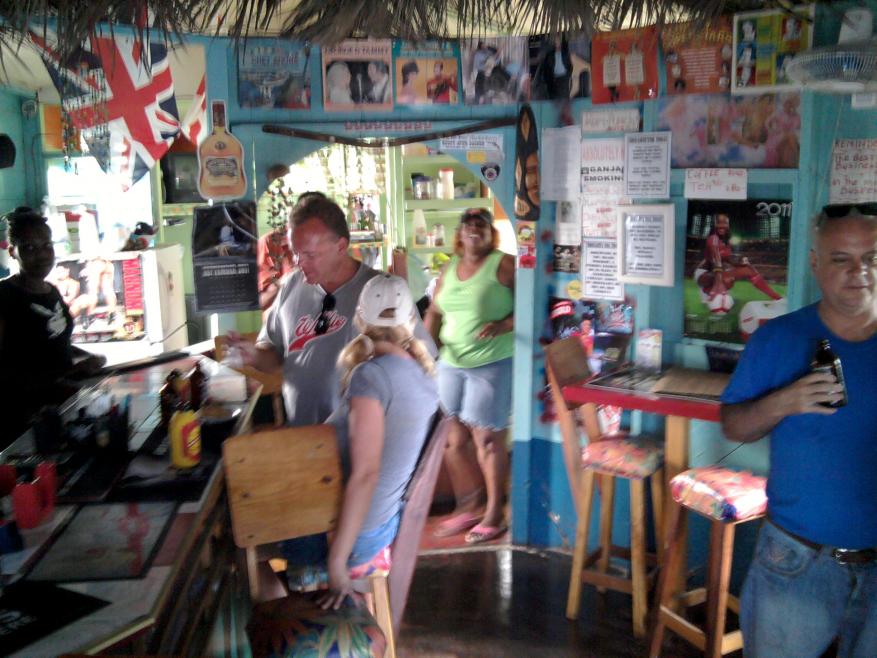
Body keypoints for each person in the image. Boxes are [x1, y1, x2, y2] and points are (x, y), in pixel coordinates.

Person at [720, 205, 877, 657]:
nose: (859, 272)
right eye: (841, 259)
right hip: (796, 559)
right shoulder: (779, 338)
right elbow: (733, 425)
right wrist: (784, 401)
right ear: (815, 263)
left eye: (871, 258)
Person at [285, 274, 439, 609]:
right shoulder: (423, 375)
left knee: (243, 533)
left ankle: (294, 618)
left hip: (356, 534)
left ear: (359, 318)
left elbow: (366, 475)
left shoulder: (371, 376)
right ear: (411, 320)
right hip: (380, 522)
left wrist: (337, 561)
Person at [231, 197, 434, 426]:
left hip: (362, 436)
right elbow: (274, 356)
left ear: (341, 246)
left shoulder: (383, 291)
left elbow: (423, 364)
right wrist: (253, 355)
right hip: (303, 434)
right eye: (296, 253)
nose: (299, 262)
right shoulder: (290, 286)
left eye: (310, 255)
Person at [424, 208, 515, 543]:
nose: (474, 230)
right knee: (453, 441)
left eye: (481, 225)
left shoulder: (504, 265)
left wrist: (505, 324)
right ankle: (468, 506)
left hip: (492, 362)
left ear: (491, 233)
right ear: (459, 234)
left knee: (487, 440)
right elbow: (434, 312)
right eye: (468, 225)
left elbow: (532, 304)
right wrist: (422, 352)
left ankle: (494, 513)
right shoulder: (449, 267)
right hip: (450, 363)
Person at [0, 207, 106, 447]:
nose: (41, 255)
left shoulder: (52, 292)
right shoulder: (4, 296)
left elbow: (56, 342)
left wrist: (88, 358)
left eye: (47, 245)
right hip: (22, 421)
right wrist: (63, 375)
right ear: (12, 252)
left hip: (61, 409)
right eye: (29, 248)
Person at [694, 212, 783, 310]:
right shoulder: (713, 239)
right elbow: (717, 261)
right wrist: (719, 286)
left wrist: (740, 264)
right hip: (704, 274)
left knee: (747, 269)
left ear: (728, 225)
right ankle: (709, 291)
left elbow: (727, 260)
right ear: (715, 225)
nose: (722, 226)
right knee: (728, 280)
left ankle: (777, 298)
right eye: (719, 223)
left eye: (724, 223)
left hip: (716, 273)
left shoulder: (725, 241)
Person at [257, 191, 326, 314]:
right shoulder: (270, 243)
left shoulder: (326, 242)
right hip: (282, 321)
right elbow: (261, 302)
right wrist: (286, 281)